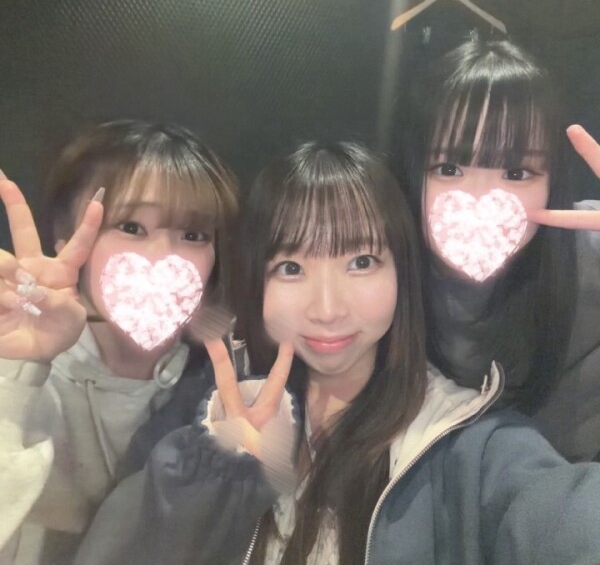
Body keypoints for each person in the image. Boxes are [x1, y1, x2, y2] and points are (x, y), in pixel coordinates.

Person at [76, 141, 600, 565]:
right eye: (291, 268)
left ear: (402, 271)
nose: (327, 309)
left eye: (362, 261)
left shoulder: (474, 448)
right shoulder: (200, 424)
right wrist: (216, 477)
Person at [0, 120, 239, 563]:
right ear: (69, 246)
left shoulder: (223, 388)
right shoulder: (23, 371)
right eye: (131, 226)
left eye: (193, 234)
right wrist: (17, 376)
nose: (163, 255)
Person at [395, 36, 600, 462]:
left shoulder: (591, 246)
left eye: (517, 172)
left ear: (553, 180)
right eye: (448, 168)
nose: (480, 196)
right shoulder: (379, 270)